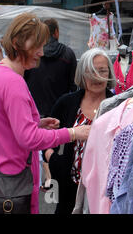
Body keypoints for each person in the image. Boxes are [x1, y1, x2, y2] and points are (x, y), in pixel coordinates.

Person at [0, 13, 90, 214]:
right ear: (16, 42)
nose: (41, 52)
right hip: (12, 186)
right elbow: (28, 138)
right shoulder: (13, 82)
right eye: (37, 45)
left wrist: (36, 123)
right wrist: (74, 133)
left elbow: (0, 126)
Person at [43, 48, 115, 214]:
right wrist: (53, 159)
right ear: (82, 74)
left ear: (109, 73)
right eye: (91, 71)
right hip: (68, 191)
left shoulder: (117, 106)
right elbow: (47, 138)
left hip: (104, 195)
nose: (97, 76)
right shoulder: (66, 103)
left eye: (102, 70)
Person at [23, 18, 77, 191]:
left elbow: (24, 81)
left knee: (40, 146)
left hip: (36, 110)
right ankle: (59, 177)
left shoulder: (33, 56)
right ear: (56, 32)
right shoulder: (68, 54)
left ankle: (47, 178)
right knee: (61, 145)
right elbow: (73, 85)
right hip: (61, 110)